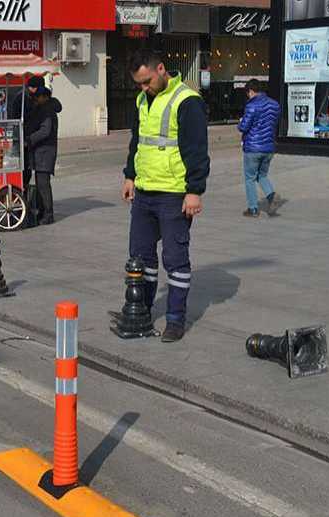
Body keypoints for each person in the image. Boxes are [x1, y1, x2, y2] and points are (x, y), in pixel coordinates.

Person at [122, 49, 210, 343]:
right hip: (145, 192)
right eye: (139, 84)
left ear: (161, 69)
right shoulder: (141, 100)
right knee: (140, 257)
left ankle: (175, 320)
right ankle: (140, 310)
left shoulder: (187, 101)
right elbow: (138, 141)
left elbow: (197, 149)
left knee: (174, 259)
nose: (143, 88)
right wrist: (130, 175)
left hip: (174, 195)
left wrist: (194, 191)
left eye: (146, 81)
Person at [238, 79, 286, 217]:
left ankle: (253, 209)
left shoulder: (252, 106)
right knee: (262, 175)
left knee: (250, 178)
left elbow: (244, 127)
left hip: (253, 148)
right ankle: (271, 196)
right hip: (269, 147)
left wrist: (240, 123)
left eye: (248, 93)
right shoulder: (274, 104)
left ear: (251, 91)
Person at [26, 87, 62, 226]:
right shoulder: (43, 108)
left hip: (45, 151)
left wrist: (30, 139)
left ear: (45, 97)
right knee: (41, 183)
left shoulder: (48, 111)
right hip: (41, 151)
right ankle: (42, 211)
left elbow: (45, 131)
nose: (36, 99)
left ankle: (48, 214)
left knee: (43, 184)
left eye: (38, 97)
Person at [9, 75, 45, 191]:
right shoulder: (22, 98)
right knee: (22, 168)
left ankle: (23, 193)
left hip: (28, 138)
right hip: (21, 138)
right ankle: (20, 194)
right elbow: (17, 118)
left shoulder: (29, 97)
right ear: (34, 88)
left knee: (27, 169)